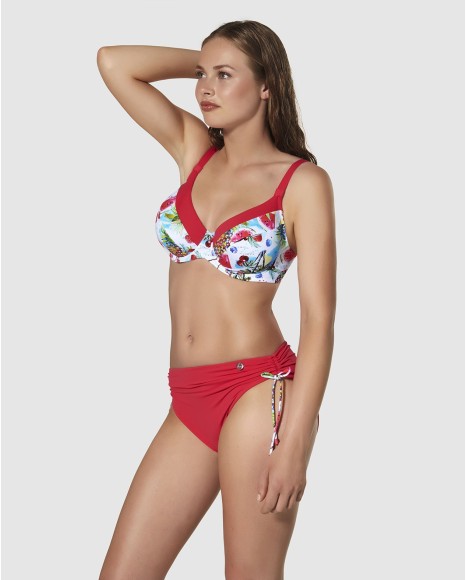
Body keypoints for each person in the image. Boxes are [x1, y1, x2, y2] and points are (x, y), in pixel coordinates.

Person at [96, 19, 336, 580]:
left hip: (259, 391)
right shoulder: (194, 150)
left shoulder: (302, 183)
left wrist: (293, 443)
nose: (204, 88)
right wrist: (209, 61)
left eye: (224, 76)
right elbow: (113, 62)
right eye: (202, 76)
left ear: (267, 84)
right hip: (188, 398)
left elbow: (320, 321)